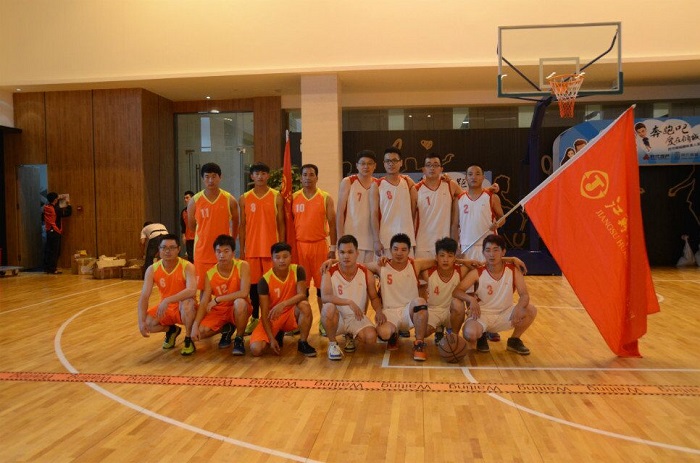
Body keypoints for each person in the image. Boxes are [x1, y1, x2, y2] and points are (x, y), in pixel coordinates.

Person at [453, 234, 537, 355]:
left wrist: (519, 307)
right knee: (470, 333)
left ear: (503, 252)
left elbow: (524, 295)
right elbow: (457, 291)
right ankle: (481, 335)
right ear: (483, 253)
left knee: (530, 310)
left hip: (505, 314)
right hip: (482, 315)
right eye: (488, 250)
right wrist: (471, 300)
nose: (491, 254)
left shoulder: (513, 270)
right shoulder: (478, 272)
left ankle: (514, 340)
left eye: (496, 250)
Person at [239, 162, 285, 335]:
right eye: (257, 173)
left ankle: (274, 318)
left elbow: (281, 223)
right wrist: (242, 249)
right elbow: (242, 226)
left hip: (271, 250)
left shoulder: (276, 196)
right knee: (253, 287)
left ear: (268, 176)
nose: (260, 176)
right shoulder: (244, 198)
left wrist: (281, 248)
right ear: (252, 176)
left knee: (270, 286)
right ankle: (255, 318)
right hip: (252, 249)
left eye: (263, 173)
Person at [249, 242, 317, 357]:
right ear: (272, 259)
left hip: (291, 313)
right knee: (256, 349)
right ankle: (277, 334)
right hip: (273, 317)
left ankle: (303, 342)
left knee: (304, 305)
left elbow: (302, 295)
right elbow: (264, 313)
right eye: (277, 257)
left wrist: (283, 304)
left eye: (285, 256)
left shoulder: (298, 270)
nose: (282, 260)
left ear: (291, 257)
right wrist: (271, 339)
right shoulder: (264, 281)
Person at [320, 235, 380, 360]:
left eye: (350, 252)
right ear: (338, 254)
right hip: (337, 318)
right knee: (328, 308)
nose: (346, 256)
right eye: (342, 252)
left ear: (357, 253)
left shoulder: (366, 272)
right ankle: (332, 344)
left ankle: (350, 335)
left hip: (356, 317)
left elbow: (374, 297)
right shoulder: (329, 271)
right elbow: (325, 297)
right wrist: (348, 302)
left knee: (371, 338)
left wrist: (379, 311)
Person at [190, 234, 252, 355]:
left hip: (237, 308)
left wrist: (218, 299)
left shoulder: (243, 266)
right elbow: (204, 301)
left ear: (233, 253)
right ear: (215, 253)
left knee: (239, 303)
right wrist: (195, 325)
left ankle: (239, 338)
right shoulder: (210, 273)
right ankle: (227, 328)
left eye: (226, 251)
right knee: (200, 332)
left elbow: (244, 292)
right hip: (220, 310)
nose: (222, 255)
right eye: (218, 251)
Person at [137, 234, 198, 356]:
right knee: (148, 324)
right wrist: (141, 322)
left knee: (188, 304)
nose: (167, 251)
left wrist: (168, 300)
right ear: (159, 250)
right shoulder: (152, 269)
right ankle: (172, 330)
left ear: (178, 249)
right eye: (164, 247)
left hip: (184, 306)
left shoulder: (187, 266)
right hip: (166, 308)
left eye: (172, 247)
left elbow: (191, 290)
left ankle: (188, 339)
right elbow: (144, 296)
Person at [413, 237, 470, 358]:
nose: (445, 260)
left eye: (450, 256)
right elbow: (415, 263)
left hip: (451, 311)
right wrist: (435, 261)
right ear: (436, 257)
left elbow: (482, 265)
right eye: (442, 255)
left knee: (458, 304)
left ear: (455, 258)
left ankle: (453, 337)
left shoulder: (461, 271)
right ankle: (439, 328)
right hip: (434, 311)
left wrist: (461, 261)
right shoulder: (428, 272)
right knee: (423, 332)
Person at [187, 163, 239, 291]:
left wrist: (231, 242)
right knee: (204, 289)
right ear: (202, 178)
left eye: (214, 176)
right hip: (202, 252)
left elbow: (236, 223)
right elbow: (192, 226)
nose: (211, 180)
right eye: (207, 177)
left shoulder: (230, 200)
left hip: (223, 251)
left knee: (225, 288)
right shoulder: (195, 201)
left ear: (220, 177)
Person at [292, 163, 337, 296]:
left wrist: (333, 249)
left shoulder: (325, 198)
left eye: (311, 175)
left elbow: (333, 224)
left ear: (317, 178)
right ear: (301, 178)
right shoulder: (293, 198)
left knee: (322, 288)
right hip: (300, 247)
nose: (308, 178)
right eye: (305, 175)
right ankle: (303, 310)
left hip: (320, 246)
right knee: (302, 287)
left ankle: (323, 310)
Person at [370, 147, 417, 258]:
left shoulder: (408, 182)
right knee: (385, 270)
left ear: (401, 162)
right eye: (388, 161)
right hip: (386, 241)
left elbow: (414, 208)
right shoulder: (377, 185)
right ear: (384, 163)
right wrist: (376, 240)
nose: (391, 164)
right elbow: (374, 214)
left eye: (394, 160)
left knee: (408, 269)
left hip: (407, 239)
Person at [413, 154, 462, 259]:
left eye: (436, 165)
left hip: (445, 245)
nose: (432, 168)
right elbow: (411, 219)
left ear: (441, 169)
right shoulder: (416, 189)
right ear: (423, 169)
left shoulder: (450, 185)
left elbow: (470, 197)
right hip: (423, 245)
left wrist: (489, 190)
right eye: (428, 165)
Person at [452, 165, 504, 260]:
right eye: (470, 174)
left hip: (489, 246)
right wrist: (455, 247)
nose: (474, 177)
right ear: (466, 178)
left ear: (483, 177)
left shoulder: (492, 197)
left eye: (477, 174)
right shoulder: (459, 199)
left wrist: (498, 224)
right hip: (466, 246)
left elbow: (502, 218)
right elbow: (454, 225)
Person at [336, 150, 380, 263]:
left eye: (370, 163)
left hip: (371, 240)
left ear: (375, 166)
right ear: (357, 165)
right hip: (351, 238)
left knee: (370, 272)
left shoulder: (378, 184)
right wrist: (340, 238)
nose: (366, 166)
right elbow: (340, 212)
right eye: (363, 163)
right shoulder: (348, 182)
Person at [43, 192, 72, 274]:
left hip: (49, 231)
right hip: (55, 231)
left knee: (49, 250)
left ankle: (47, 268)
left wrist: (57, 199)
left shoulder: (46, 207)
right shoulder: (56, 209)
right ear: (55, 200)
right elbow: (67, 213)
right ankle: (53, 269)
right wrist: (69, 205)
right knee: (55, 251)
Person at [180, 190, 195, 262]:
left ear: (192, 198)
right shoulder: (183, 211)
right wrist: (183, 236)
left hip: (198, 237)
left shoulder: (198, 209)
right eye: (184, 198)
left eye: (187, 198)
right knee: (190, 256)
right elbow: (183, 225)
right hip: (188, 237)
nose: (185, 200)